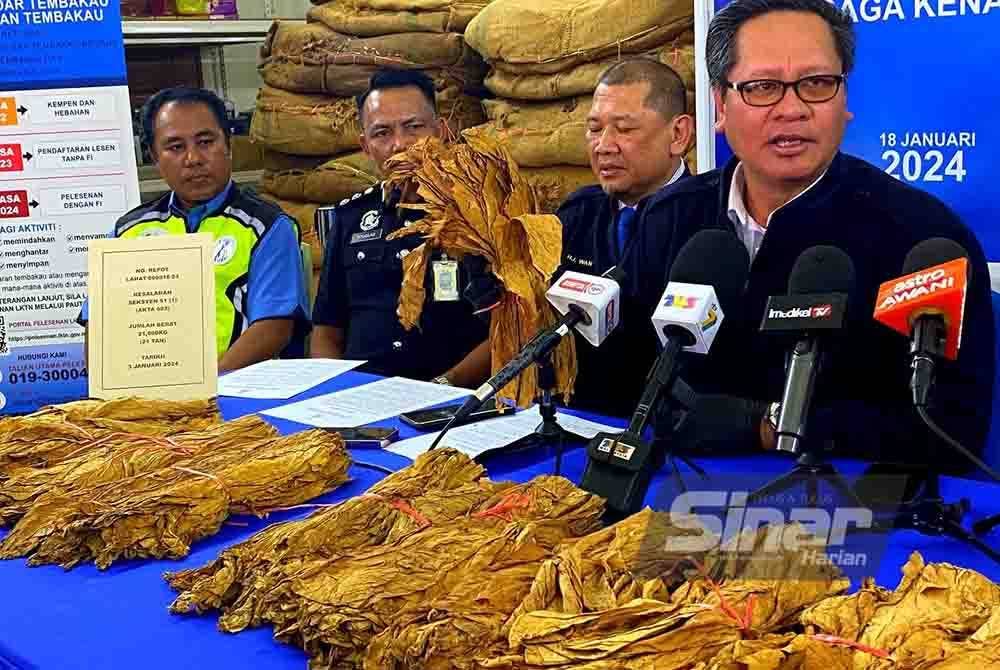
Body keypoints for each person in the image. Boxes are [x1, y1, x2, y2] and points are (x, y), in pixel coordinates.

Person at [657, 0, 994, 466]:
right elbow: (622, 394)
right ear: (719, 103)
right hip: (671, 498)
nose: (792, 109)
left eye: (816, 84)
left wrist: (764, 425)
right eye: (763, 87)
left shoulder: (924, 238)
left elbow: (950, 429)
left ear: (845, 101)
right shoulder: (668, 219)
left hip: (854, 516)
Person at [79, 87, 310, 372]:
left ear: (228, 144)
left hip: (236, 394)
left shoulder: (267, 227)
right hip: (145, 396)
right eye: (176, 147)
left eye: (205, 142)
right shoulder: (127, 233)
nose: (193, 159)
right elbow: (98, 326)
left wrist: (205, 388)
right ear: (154, 156)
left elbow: (274, 328)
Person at [311, 70, 490, 386]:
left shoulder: (483, 215)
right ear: (365, 146)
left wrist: (445, 387)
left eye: (414, 127)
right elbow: (327, 328)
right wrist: (333, 389)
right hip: (360, 399)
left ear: (442, 131)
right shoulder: (351, 218)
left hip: (454, 401)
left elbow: (514, 326)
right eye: (382, 133)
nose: (400, 144)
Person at [556, 58, 696, 416]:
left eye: (624, 129)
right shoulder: (575, 215)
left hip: (675, 435)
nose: (604, 146)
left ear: (679, 135)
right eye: (594, 129)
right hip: (579, 423)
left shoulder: (709, 220)